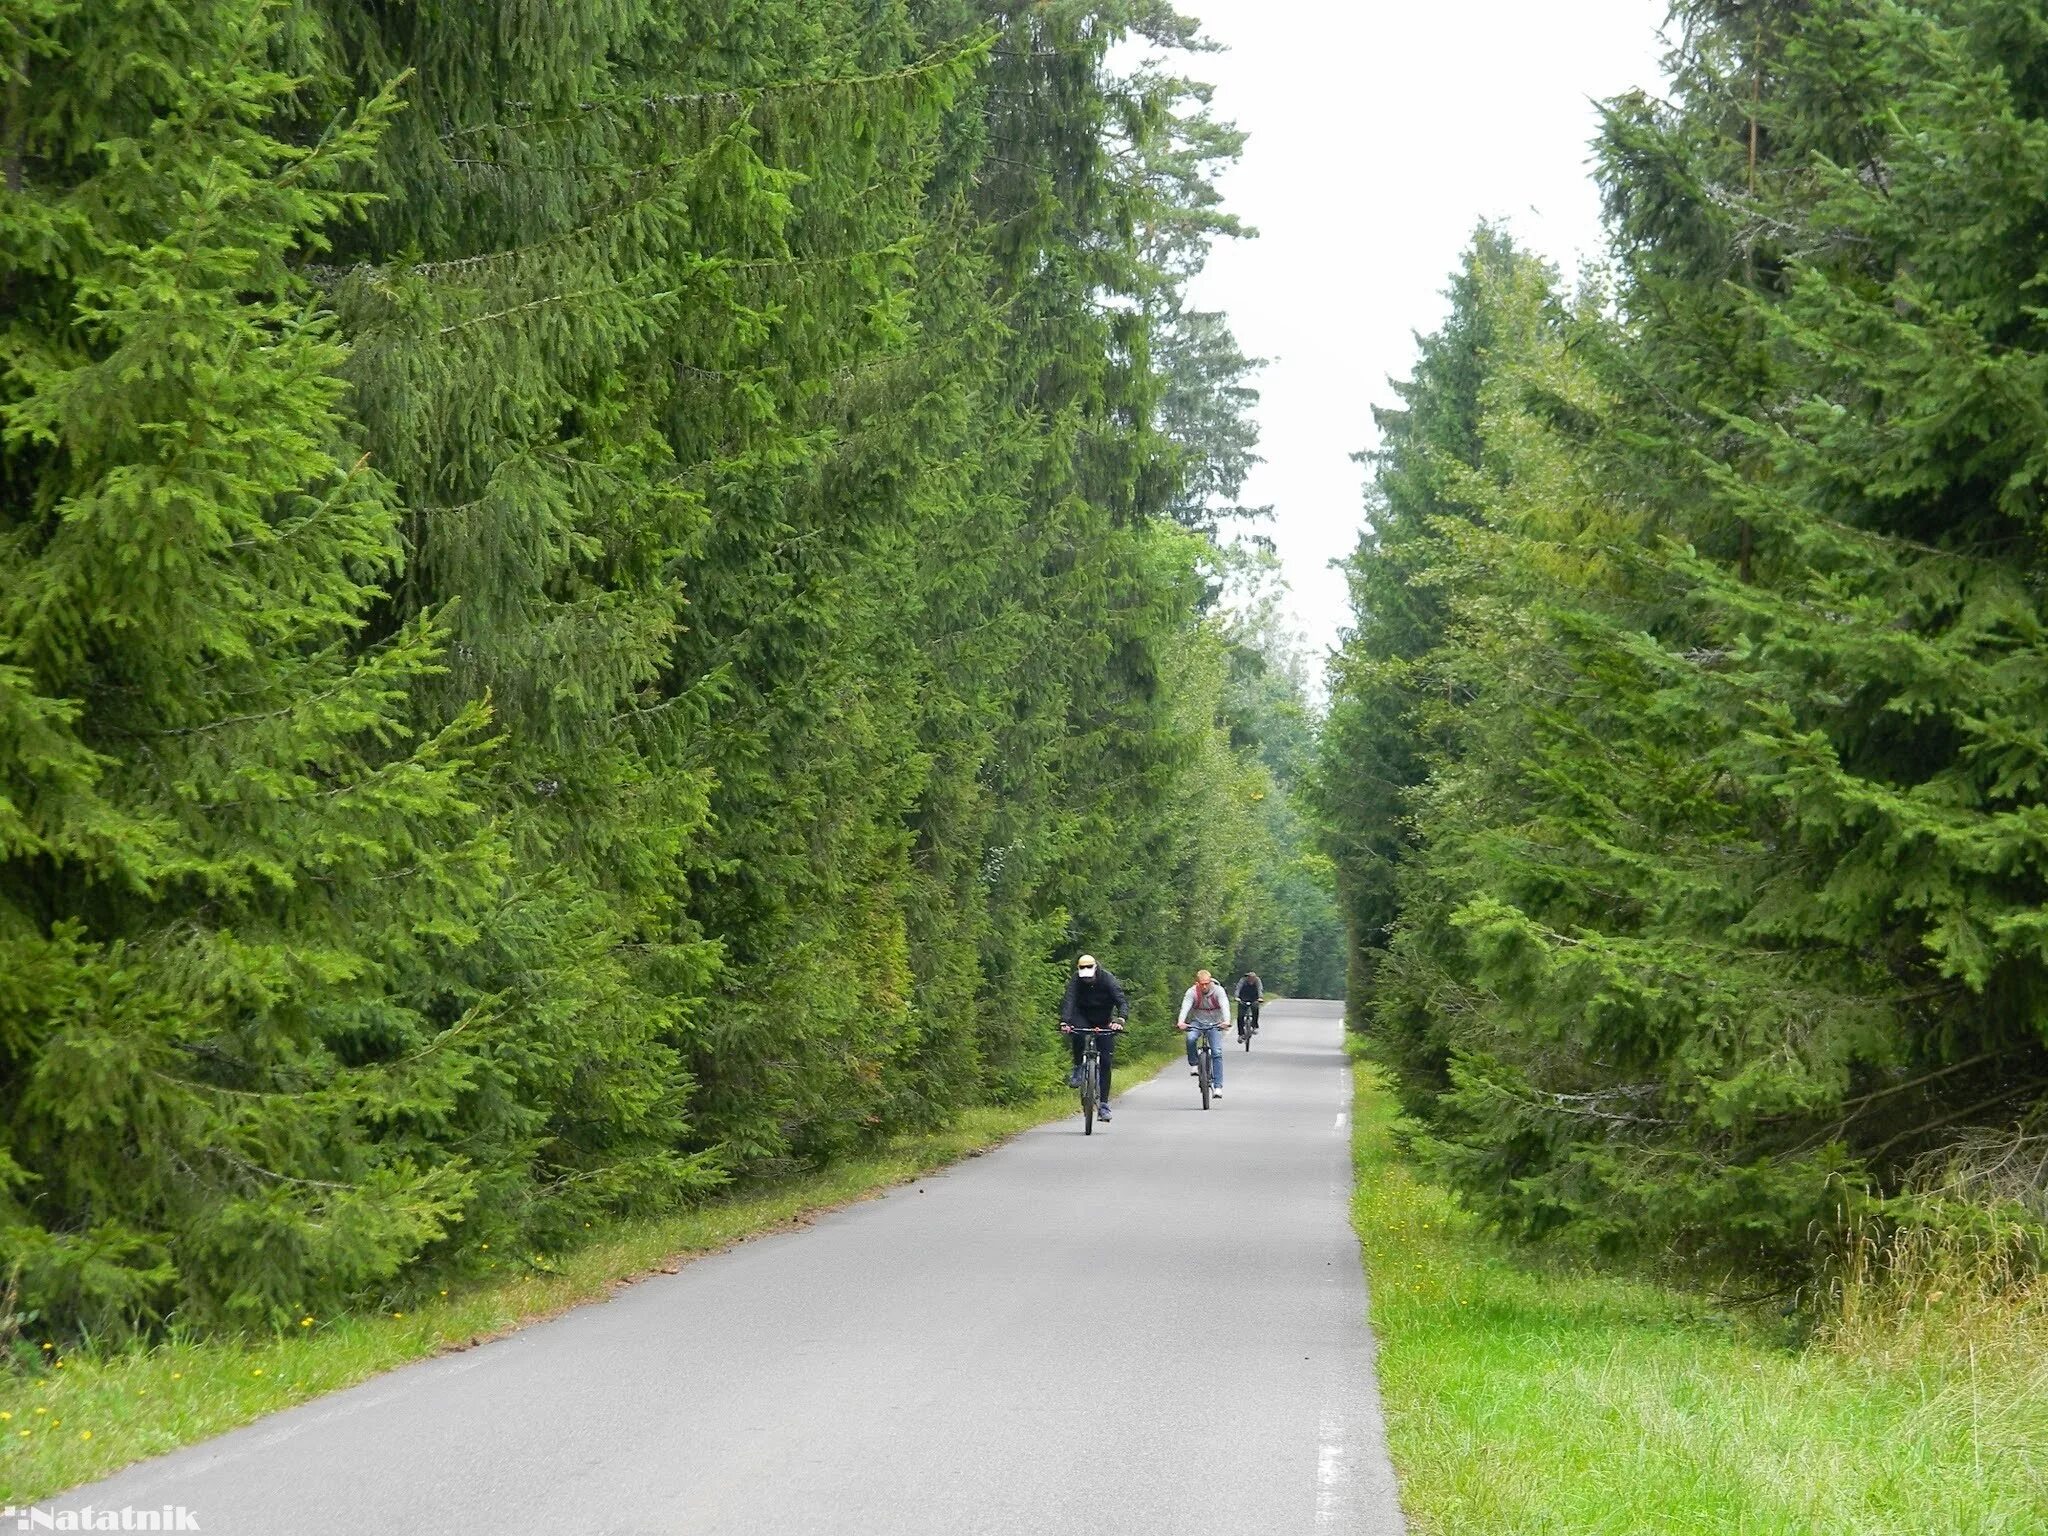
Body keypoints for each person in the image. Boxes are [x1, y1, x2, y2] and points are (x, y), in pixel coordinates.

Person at [1059, 953, 1128, 1122]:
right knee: (1078, 1033)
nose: (1087, 980)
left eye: (1089, 977)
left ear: (1096, 969)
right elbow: (1069, 1000)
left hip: (1104, 1019)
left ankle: (1104, 1105)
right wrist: (1065, 1022)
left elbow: (1121, 1002)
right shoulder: (1076, 980)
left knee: (1105, 1061)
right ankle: (1078, 1068)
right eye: (1084, 977)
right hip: (1082, 1015)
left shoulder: (1108, 980)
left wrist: (1120, 1019)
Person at [1177, 968, 1232, 1098]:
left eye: (1207, 983)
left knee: (1217, 1053)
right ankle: (1195, 1064)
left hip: (1215, 1024)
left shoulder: (1218, 991)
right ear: (1197, 983)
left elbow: (1225, 1005)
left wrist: (1227, 1021)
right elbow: (1185, 1007)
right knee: (1190, 1039)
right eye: (1202, 984)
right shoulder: (1192, 992)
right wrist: (1181, 1022)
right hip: (1197, 1022)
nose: (1205, 986)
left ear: (1211, 981)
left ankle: (1218, 1086)